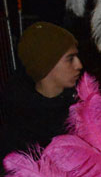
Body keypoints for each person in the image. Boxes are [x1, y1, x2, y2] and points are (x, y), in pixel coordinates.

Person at [0, 22, 82, 168]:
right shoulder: (20, 124)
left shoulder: (83, 104)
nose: (79, 65)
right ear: (46, 65)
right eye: (70, 59)